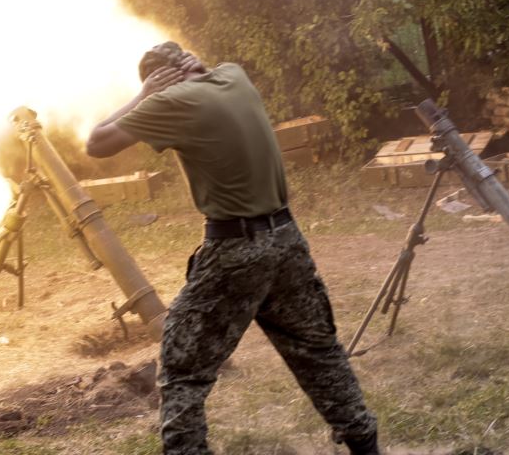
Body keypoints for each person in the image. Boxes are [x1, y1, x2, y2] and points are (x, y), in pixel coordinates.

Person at [86, 42, 379, 454]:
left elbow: (96, 143)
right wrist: (197, 67)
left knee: (182, 368)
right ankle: (365, 444)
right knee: (318, 351)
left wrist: (144, 95)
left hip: (235, 250)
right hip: (286, 239)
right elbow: (211, 75)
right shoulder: (234, 76)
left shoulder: (171, 101)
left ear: (160, 78)